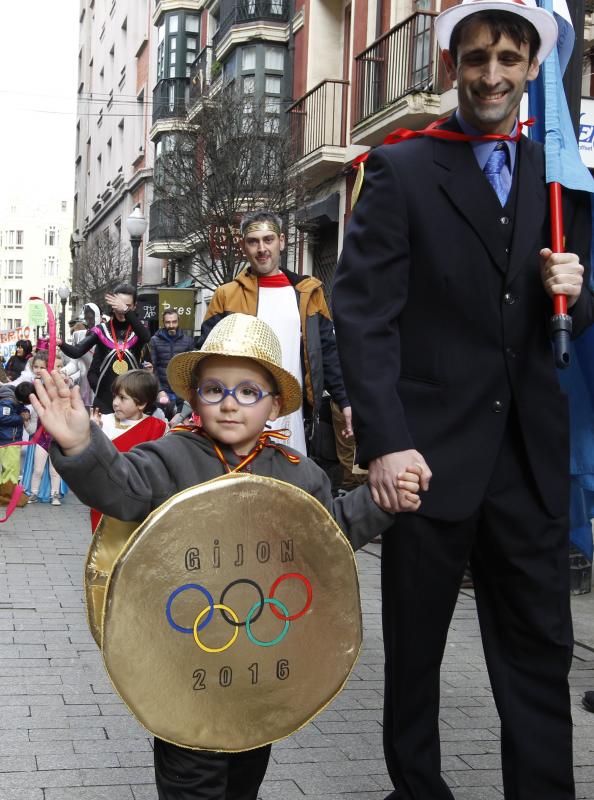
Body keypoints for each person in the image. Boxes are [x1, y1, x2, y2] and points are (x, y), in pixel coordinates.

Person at [331, 2, 594, 798]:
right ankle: (417, 791)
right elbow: (363, 313)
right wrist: (384, 441)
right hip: (426, 461)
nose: (491, 75)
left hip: (528, 464)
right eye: (476, 58)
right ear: (452, 67)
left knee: (539, 655)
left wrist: (576, 292)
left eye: (509, 59)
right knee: (415, 658)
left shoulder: (560, 178)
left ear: (529, 69)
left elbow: (567, 313)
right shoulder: (403, 168)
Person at [33, 312, 422, 800]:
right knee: (192, 783)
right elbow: (123, 491)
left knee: (244, 778)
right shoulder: (170, 457)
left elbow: (330, 536)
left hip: (256, 672)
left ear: (275, 404)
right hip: (183, 673)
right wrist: (80, 444)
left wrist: (382, 501)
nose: (230, 404)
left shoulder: (299, 474)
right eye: (215, 390)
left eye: (248, 391)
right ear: (195, 397)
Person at [199, 210, 352, 456]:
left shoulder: (308, 293)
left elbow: (326, 351)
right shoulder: (226, 295)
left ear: (281, 241)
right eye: (253, 241)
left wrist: (344, 400)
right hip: (240, 413)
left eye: (268, 239)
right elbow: (206, 355)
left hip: (294, 416)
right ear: (243, 246)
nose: (262, 248)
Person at [89, 369, 166, 532]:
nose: (115, 402)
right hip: (105, 500)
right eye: (115, 396)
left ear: (142, 404)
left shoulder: (158, 427)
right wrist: (93, 433)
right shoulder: (102, 422)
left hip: (139, 503)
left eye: (122, 398)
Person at [60, 285, 150, 414]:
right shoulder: (100, 330)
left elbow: (146, 337)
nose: (121, 310)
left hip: (132, 400)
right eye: (118, 305)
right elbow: (77, 352)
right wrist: (60, 343)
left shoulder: (138, 330)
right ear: (112, 305)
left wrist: (126, 310)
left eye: (127, 305)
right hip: (104, 401)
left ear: (134, 306)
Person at [22, 355, 63, 506]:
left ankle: (55, 495)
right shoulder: (31, 385)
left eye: (42, 367)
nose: (39, 370)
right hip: (41, 437)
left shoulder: (55, 385)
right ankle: (33, 493)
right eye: (36, 367)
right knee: (37, 469)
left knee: (55, 470)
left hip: (56, 436)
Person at [149, 309, 194, 418]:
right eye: (168, 322)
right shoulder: (154, 341)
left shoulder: (188, 341)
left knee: (179, 426)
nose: (171, 325)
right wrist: (160, 390)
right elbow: (152, 369)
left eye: (174, 322)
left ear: (179, 321)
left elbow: (190, 369)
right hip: (162, 392)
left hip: (181, 393)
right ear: (163, 323)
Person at [0, 384, 29, 507]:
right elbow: (3, 418)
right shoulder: (7, 401)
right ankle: (6, 496)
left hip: (13, 440)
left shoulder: (14, 399)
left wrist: (25, 411)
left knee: (11, 468)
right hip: (8, 440)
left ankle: (8, 494)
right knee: (11, 469)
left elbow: (20, 408)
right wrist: (21, 418)